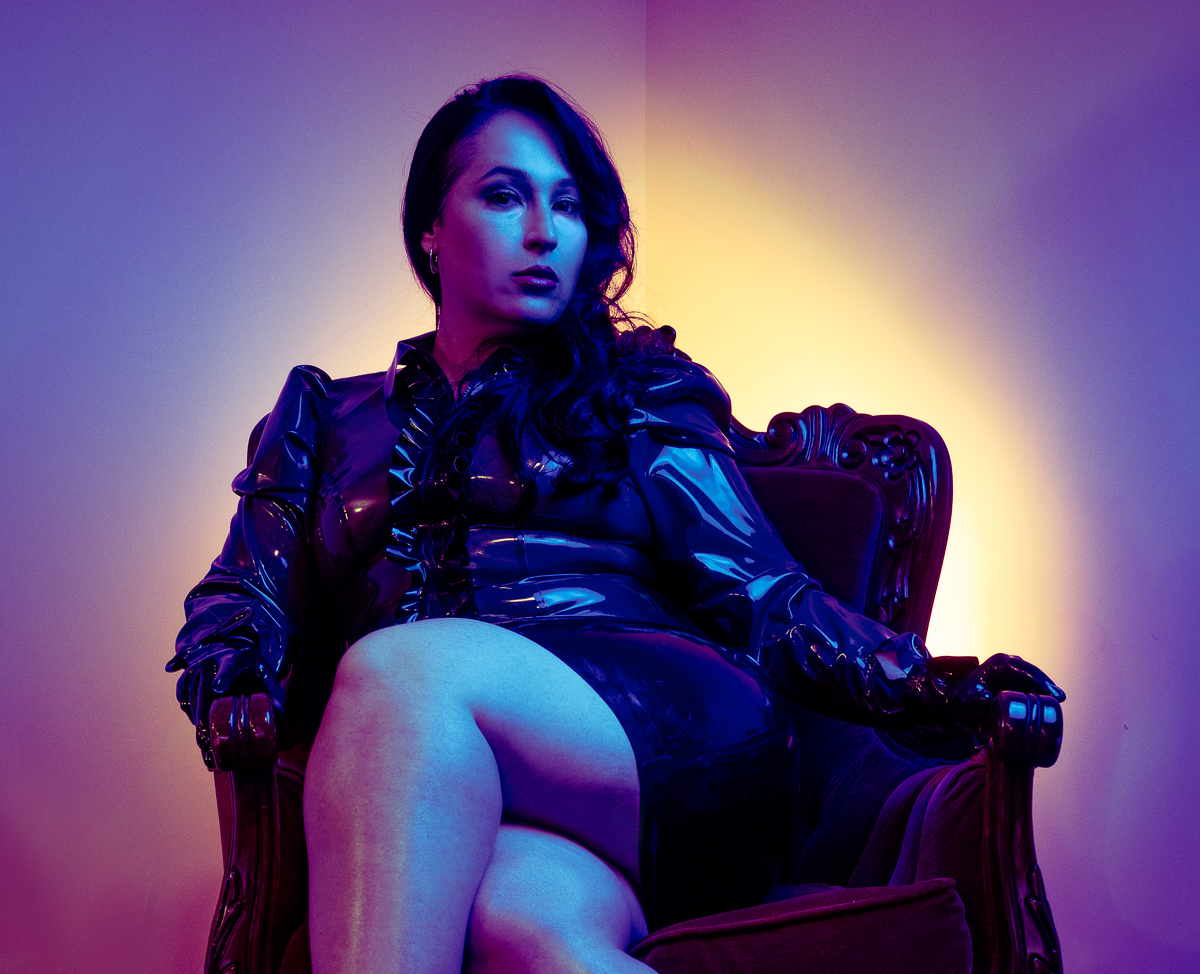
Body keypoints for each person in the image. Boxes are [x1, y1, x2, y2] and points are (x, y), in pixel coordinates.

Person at [167, 76, 1064, 974]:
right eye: (504, 196)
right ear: (429, 230)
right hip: (464, 784)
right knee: (520, 930)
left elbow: (767, 593)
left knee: (397, 671)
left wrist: (933, 684)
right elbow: (244, 597)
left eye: (567, 205)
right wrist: (240, 680)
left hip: (668, 750)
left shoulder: (638, 390)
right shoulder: (324, 417)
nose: (543, 233)